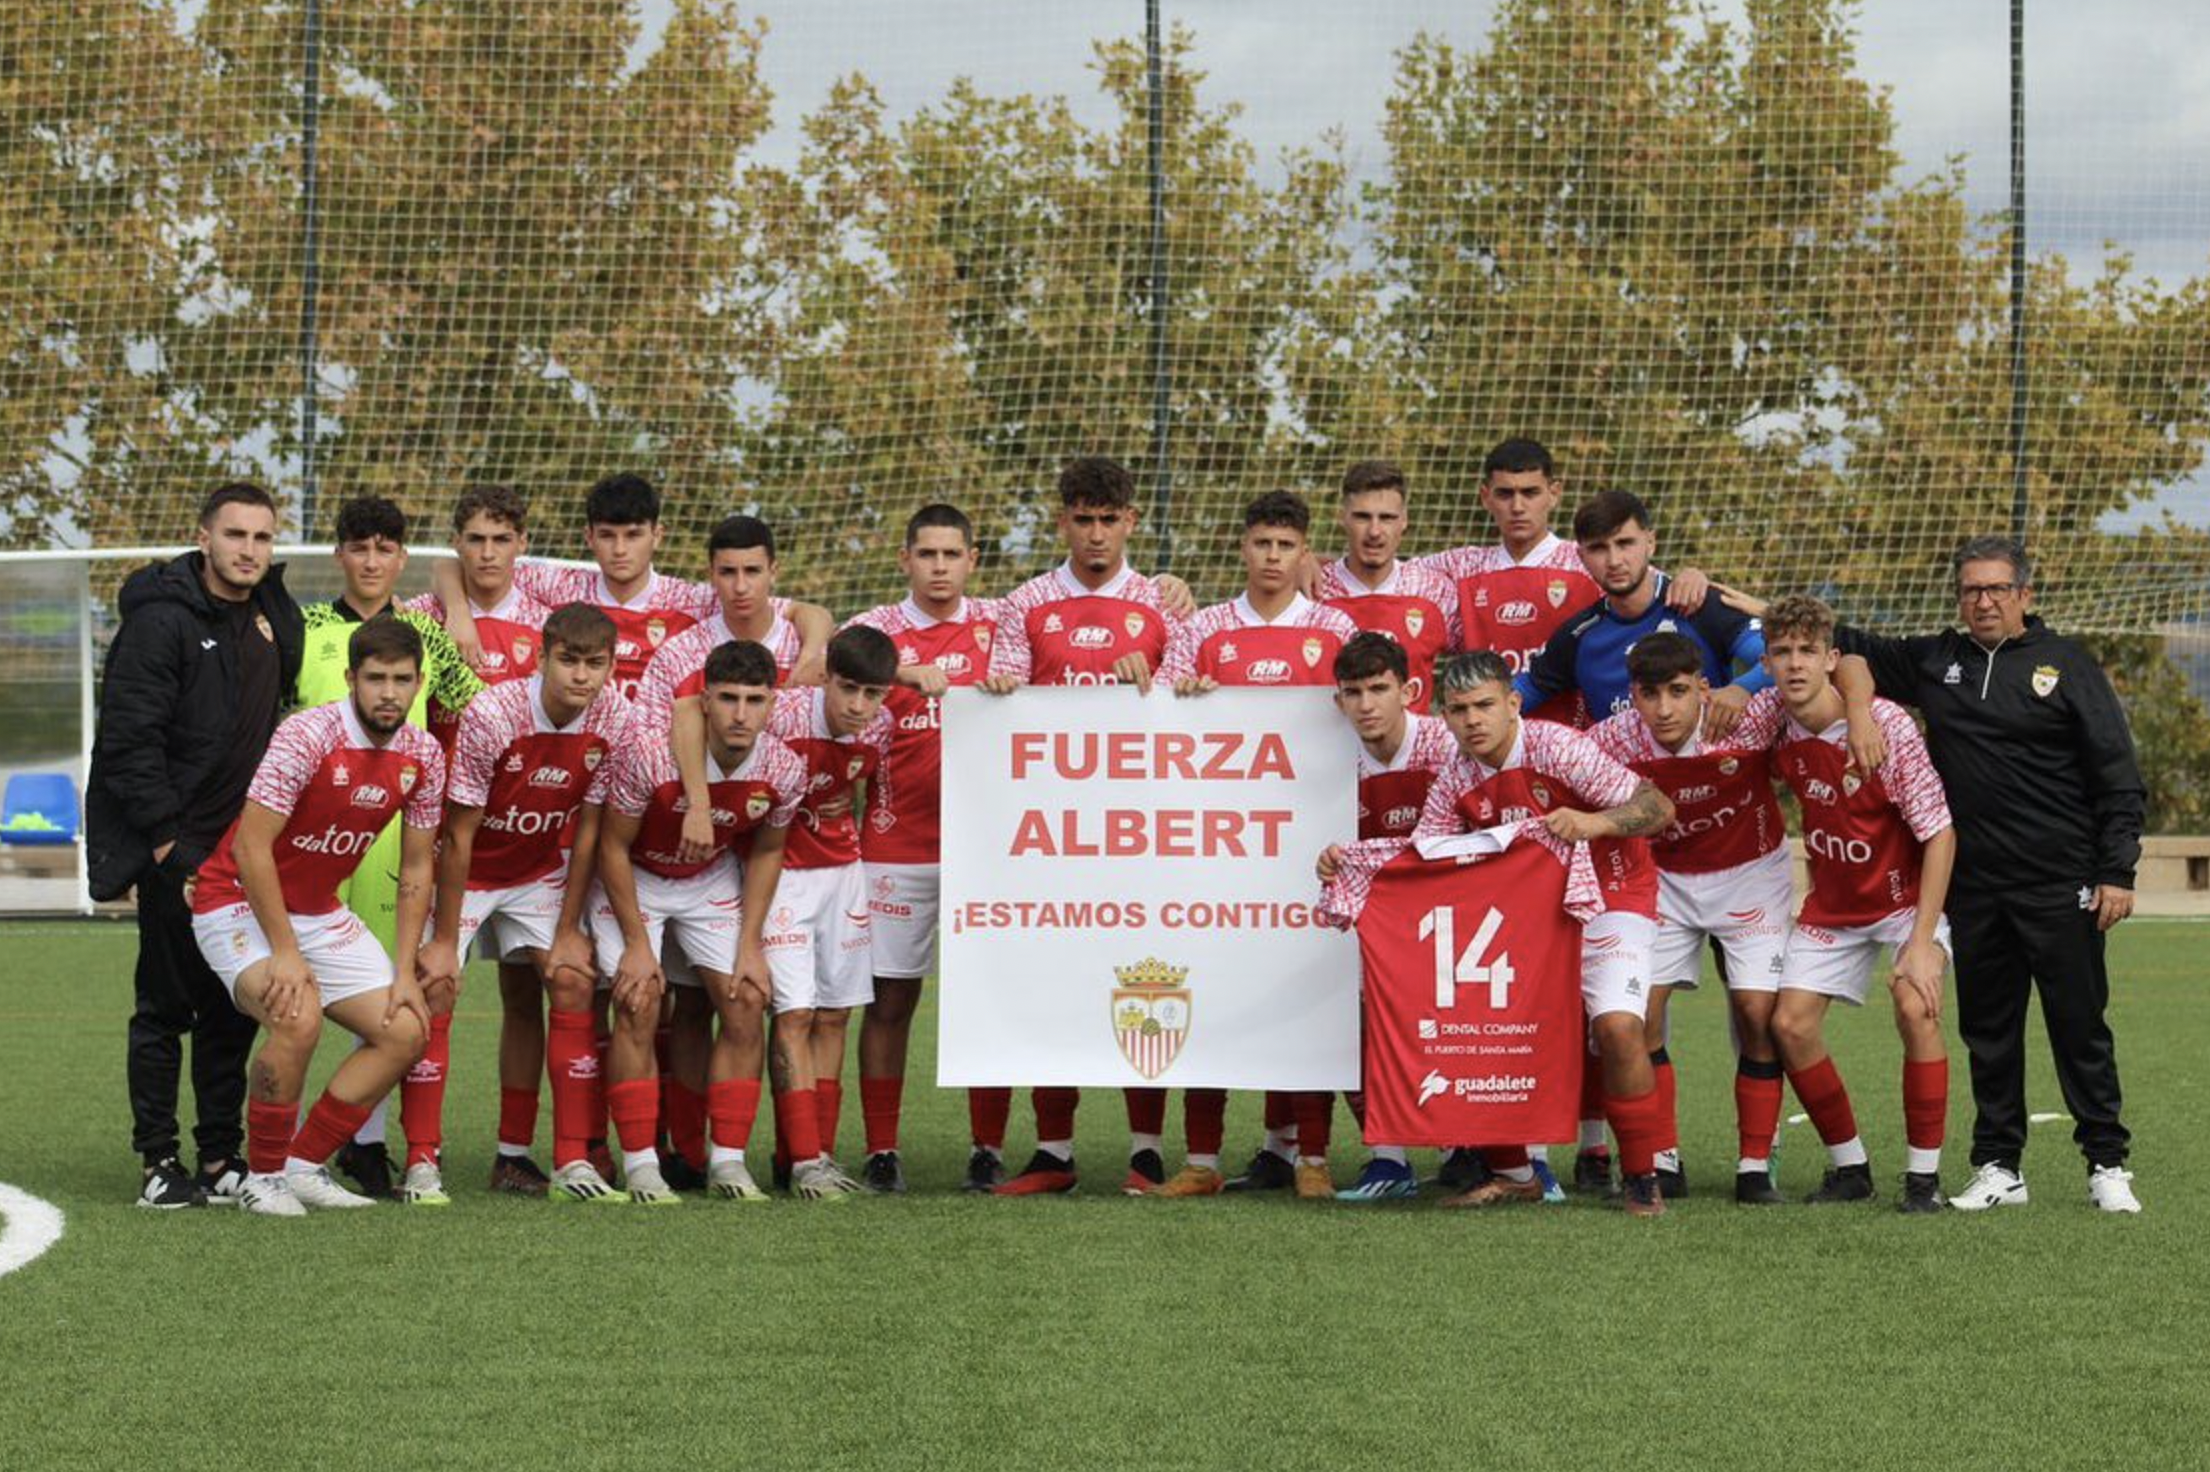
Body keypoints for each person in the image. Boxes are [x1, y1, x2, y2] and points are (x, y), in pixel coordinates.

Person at [1828, 536, 2145, 1214]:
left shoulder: (2067, 665)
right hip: (1974, 887)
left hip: (2062, 881)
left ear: (2024, 594)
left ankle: (2107, 1164)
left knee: (2079, 1027)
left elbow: (2117, 774)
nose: (1984, 601)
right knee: (1990, 1031)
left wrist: (2116, 870)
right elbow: (1842, 646)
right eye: (1971, 589)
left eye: (1998, 588)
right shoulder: (1936, 659)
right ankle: (2000, 1166)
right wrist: (1727, 604)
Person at [186, 617, 447, 1216]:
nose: (388, 693)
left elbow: (416, 867)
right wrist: (285, 953)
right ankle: (263, 1177)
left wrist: (405, 970)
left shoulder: (424, 753)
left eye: (401, 680)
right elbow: (251, 848)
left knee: (406, 1029)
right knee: (296, 1016)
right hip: (236, 900)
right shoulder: (307, 735)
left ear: (418, 683)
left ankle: (302, 1166)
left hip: (316, 910)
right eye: (375, 679)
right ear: (351, 679)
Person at [91, 481, 304, 1209]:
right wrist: (165, 846)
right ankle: (158, 1161)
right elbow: (129, 742)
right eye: (235, 534)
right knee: (164, 1007)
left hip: (244, 855)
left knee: (230, 1007)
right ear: (204, 537)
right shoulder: (161, 623)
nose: (249, 550)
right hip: (180, 853)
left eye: (262, 537)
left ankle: (219, 1156)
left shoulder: (275, 614)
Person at [981, 455, 1188, 1196]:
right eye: (1083, 519)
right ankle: (1054, 1151)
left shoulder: (1165, 603)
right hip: (1053, 835)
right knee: (1052, 984)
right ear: (1062, 520)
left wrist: (1159, 684)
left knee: (1145, 976)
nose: (1096, 534)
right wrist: (1000, 691)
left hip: (1140, 831)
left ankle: (1146, 1150)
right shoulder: (1025, 603)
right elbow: (1001, 697)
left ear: (1130, 521)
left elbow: (1190, 705)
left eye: (1108, 520)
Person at [1412, 651, 1677, 1216]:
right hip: (1528, 917)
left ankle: (1640, 1177)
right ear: (1445, 716)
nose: (1472, 720)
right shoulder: (1454, 777)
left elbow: (1658, 807)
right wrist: (1347, 861)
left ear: (1513, 703)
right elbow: (1425, 857)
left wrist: (1595, 822)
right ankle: (1516, 1174)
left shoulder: (1557, 747)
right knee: (1474, 1026)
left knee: (1618, 1028)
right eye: (1458, 710)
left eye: (1485, 705)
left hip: (1612, 896)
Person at [1160, 490, 1361, 1200]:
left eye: (1286, 545)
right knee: (1209, 991)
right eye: (1261, 544)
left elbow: (1362, 714)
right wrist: (1184, 697)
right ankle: (1201, 1161)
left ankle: (1312, 1159)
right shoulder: (1205, 628)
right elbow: (1154, 721)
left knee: (1307, 1000)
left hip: (1311, 845)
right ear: (1242, 547)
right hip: (1218, 849)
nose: (1273, 557)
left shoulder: (1334, 628)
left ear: (1305, 553)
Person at [296, 495, 485, 1199]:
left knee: (380, 990)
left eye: (385, 549)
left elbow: (472, 714)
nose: (371, 561)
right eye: (359, 547)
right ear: (339, 554)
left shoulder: (427, 636)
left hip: (393, 838)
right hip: (312, 837)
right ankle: (270, 1148)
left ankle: (364, 1145)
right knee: (297, 999)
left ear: (402, 557)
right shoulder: (302, 628)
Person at [413, 604, 630, 1205]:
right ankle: (422, 1160)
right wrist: (444, 940)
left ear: (611, 667)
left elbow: (590, 828)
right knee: (436, 986)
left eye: (594, 664)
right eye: (568, 661)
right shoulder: (494, 712)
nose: (581, 676)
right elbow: (459, 834)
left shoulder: (616, 716)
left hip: (536, 870)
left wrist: (567, 930)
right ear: (541, 659)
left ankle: (562, 1161)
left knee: (573, 978)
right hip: (468, 870)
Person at [1757, 596, 1956, 1213]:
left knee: (1915, 1005)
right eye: (1782, 652)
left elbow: (1940, 833)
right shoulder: (1771, 718)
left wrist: (1921, 943)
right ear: (1766, 664)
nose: (1795, 664)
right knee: (1789, 1025)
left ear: (1830, 658)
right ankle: (1851, 1168)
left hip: (1903, 902)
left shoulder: (1885, 725)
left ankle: (1923, 1180)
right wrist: (1731, 694)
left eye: (1807, 651)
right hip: (1834, 903)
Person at [591, 640, 807, 1203]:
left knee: (747, 999)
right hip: (637, 875)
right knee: (638, 999)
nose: (741, 714)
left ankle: (728, 1162)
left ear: (772, 704)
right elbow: (612, 847)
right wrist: (638, 944)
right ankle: (642, 1164)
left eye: (754, 700)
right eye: (728, 698)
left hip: (708, 880)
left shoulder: (784, 767)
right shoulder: (650, 756)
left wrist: (751, 944)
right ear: (705, 701)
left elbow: (768, 851)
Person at [627, 513, 808, 1182]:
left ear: (774, 574)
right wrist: (700, 804)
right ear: (710, 575)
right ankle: (661, 1152)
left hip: (738, 859)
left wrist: (820, 637)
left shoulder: (800, 638)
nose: (740, 585)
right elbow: (673, 719)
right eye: (727, 571)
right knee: (652, 1002)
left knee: (744, 998)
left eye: (752, 571)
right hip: (662, 849)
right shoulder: (681, 653)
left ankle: (742, 1157)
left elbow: (854, 674)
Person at [1587, 633, 1798, 1204]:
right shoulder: (1610, 739)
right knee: (1641, 1016)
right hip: (1664, 880)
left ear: (1703, 689)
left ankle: (1756, 1164)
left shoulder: (1745, 719)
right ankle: (1661, 1158)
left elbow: (1830, 668)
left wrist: (1749, 684)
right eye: (1650, 694)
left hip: (1751, 872)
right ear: (1633, 696)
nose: (1664, 708)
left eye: (1678, 692)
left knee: (1756, 1013)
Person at [404, 485, 564, 1192]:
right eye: (475, 539)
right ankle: (421, 1155)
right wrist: (455, 606)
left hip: (530, 848)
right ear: (456, 544)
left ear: (522, 544)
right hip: (447, 845)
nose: (488, 553)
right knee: (433, 988)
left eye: (502, 539)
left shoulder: (550, 621)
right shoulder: (422, 618)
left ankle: (514, 1153)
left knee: (533, 993)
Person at [844, 504, 1004, 1193]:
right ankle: (881, 1149)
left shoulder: (1002, 625)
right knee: (890, 999)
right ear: (905, 559)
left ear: (972, 560)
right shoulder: (874, 630)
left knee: (987, 998)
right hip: (894, 846)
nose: (939, 567)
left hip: (989, 850)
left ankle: (988, 1148)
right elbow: (818, 671)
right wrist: (901, 673)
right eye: (927, 554)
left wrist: (1170, 587)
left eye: (952, 554)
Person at [436, 471, 833, 701]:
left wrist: (812, 656)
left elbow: (808, 612)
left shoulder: (692, 599)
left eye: (634, 535)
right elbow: (452, 564)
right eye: (608, 536)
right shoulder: (560, 585)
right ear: (589, 537)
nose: (620, 550)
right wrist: (457, 613)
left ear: (657, 535)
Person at [1313, 633, 1460, 1202]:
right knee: (1354, 1025)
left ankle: (1465, 1149)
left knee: (1453, 1025)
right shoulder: (1329, 756)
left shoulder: (1446, 744)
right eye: (1353, 693)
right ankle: (1388, 1158)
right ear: (1338, 701)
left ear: (1409, 691)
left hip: (1449, 906)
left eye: (1379, 689)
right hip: (1371, 912)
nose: (1366, 704)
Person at [760, 627, 899, 1193]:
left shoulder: (882, 727)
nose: (859, 706)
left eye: (873, 694)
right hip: (782, 878)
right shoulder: (783, 713)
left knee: (836, 1015)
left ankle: (816, 1153)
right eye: (848, 689)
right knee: (794, 1014)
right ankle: (803, 1163)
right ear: (825, 679)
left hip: (844, 875)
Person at [1316, 460, 1460, 712]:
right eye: (1362, 517)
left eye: (1387, 518)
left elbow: (1483, 660)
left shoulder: (1433, 590)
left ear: (1404, 521)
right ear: (1342, 518)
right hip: (1327, 737)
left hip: (1413, 738)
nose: (1374, 531)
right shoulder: (1314, 590)